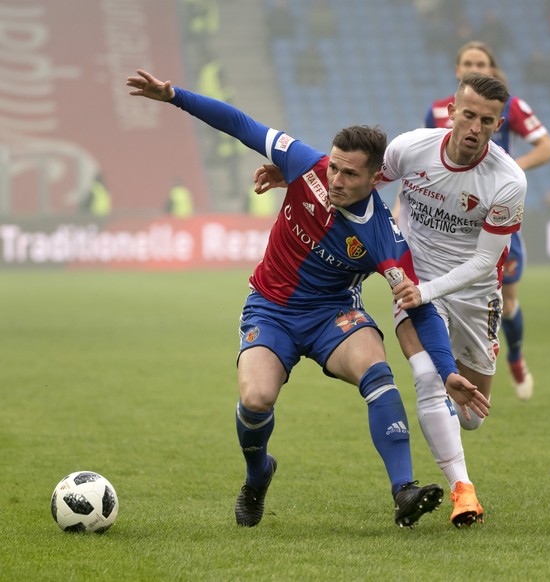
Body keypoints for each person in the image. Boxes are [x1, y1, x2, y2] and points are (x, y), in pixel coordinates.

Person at [127, 69, 489, 530]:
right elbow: (241, 124)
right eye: (334, 166)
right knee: (256, 398)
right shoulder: (305, 164)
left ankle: (403, 490)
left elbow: (420, 307)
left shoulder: (383, 237)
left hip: (332, 316)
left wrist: (448, 371)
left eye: (349, 173)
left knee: (377, 370)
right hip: (271, 308)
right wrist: (174, 96)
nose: (334, 178)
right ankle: (258, 476)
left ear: (376, 178)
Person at [253, 72, 523, 526]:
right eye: (469, 115)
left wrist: (428, 290)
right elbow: (359, 181)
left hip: (474, 292)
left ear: (499, 125)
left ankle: (457, 444)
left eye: (488, 121)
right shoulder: (411, 148)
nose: (475, 127)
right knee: (426, 376)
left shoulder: (508, 182)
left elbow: (484, 263)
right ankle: (463, 491)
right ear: (452, 111)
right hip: (411, 277)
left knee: (472, 415)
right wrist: (298, 178)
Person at [422, 41, 550, 400]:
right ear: (457, 70)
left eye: (482, 62)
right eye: (468, 62)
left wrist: (513, 175)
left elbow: (548, 147)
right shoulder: (437, 110)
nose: (476, 67)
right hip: (448, 220)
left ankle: (513, 357)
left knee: (507, 300)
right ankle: (447, 363)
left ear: (493, 68)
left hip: (494, 216)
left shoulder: (510, 107)